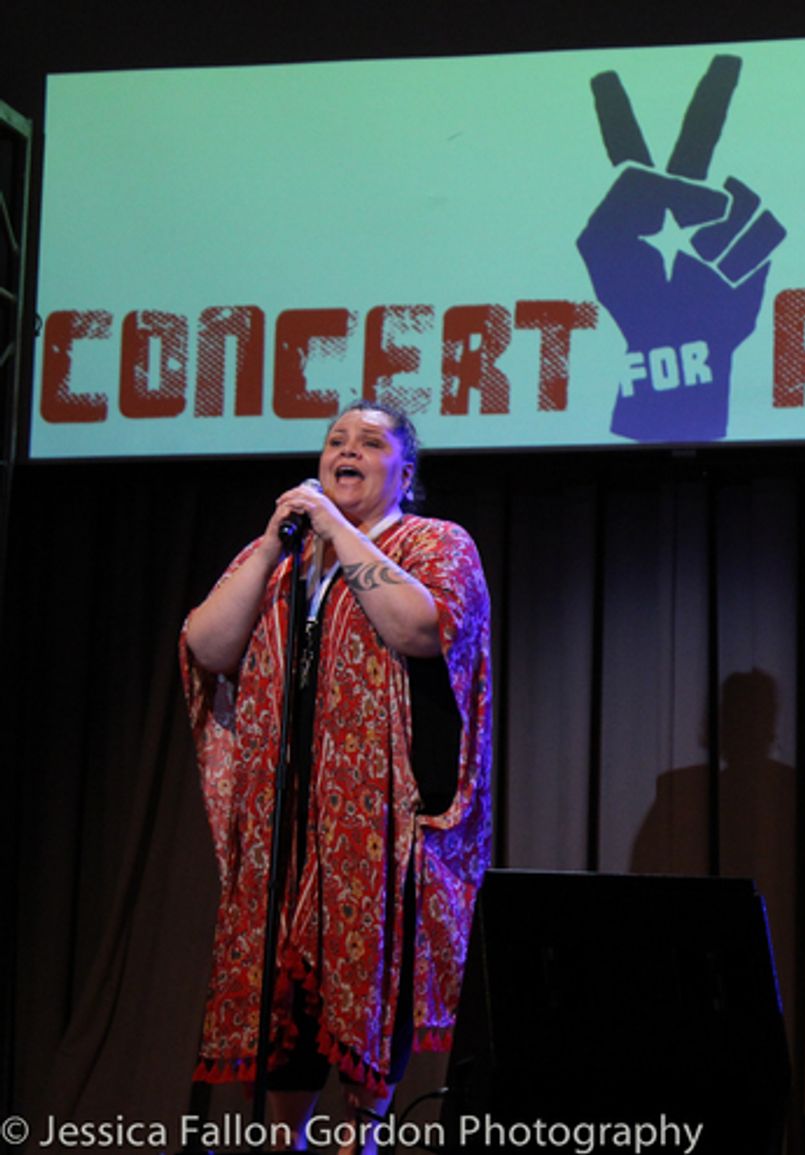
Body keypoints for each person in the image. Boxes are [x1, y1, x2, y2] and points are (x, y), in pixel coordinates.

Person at [180, 401, 492, 1153]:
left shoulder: (435, 542)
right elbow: (207, 644)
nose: (345, 449)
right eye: (334, 440)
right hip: (285, 819)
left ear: (405, 473)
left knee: (370, 976)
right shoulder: (283, 560)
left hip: (378, 818)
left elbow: (421, 626)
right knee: (283, 999)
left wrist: (337, 531)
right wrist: (266, 546)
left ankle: (362, 1139)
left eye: (370, 442)